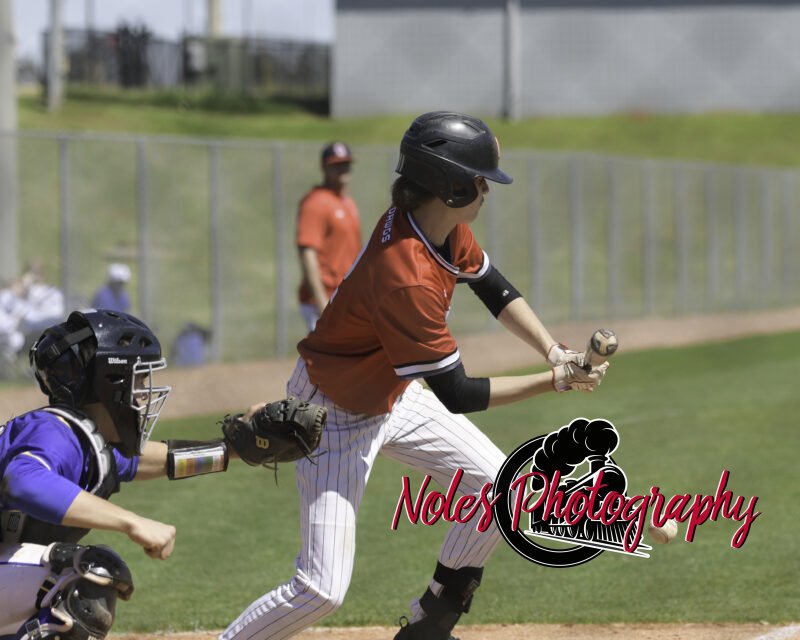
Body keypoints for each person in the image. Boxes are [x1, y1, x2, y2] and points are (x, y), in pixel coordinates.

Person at [221, 111, 611, 640]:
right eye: (479, 181)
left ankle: (430, 625)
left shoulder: (437, 228)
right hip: (332, 413)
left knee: (500, 489)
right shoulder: (406, 273)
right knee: (320, 591)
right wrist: (556, 380)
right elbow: (459, 392)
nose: (486, 190)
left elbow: (492, 285)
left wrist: (553, 350)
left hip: (393, 393)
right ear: (450, 188)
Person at [0, 309, 266, 640]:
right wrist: (131, 522)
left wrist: (234, 449)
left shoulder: (84, 443)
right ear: (107, 383)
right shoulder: (53, 431)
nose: (145, 393)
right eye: (138, 380)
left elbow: (155, 460)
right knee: (83, 574)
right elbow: (23, 481)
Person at [296, 141, 362, 332]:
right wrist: (322, 303)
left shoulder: (347, 202)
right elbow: (307, 254)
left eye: (345, 163)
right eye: (336, 164)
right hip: (325, 299)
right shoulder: (315, 202)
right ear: (324, 167)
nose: (342, 168)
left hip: (345, 298)